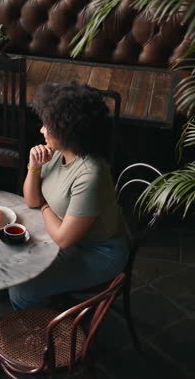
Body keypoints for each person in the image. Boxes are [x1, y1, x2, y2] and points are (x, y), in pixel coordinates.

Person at [9, 82, 130, 309]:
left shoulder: (90, 173)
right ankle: (49, 308)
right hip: (62, 238)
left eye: (48, 125)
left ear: (68, 130)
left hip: (98, 253)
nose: (42, 130)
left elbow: (64, 238)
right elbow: (31, 200)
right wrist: (33, 167)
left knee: (21, 290)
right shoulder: (56, 153)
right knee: (12, 264)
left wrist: (45, 207)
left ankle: (41, 337)